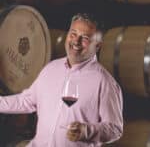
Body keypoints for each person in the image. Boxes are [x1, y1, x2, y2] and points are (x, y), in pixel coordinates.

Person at [0, 13, 123, 147]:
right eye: (73, 34)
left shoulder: (104, 82)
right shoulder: (51, 68)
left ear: (97, 46)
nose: (76, 41)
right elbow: (27, 100)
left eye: (85, 38)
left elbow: (115, 129)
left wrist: (86, 131)